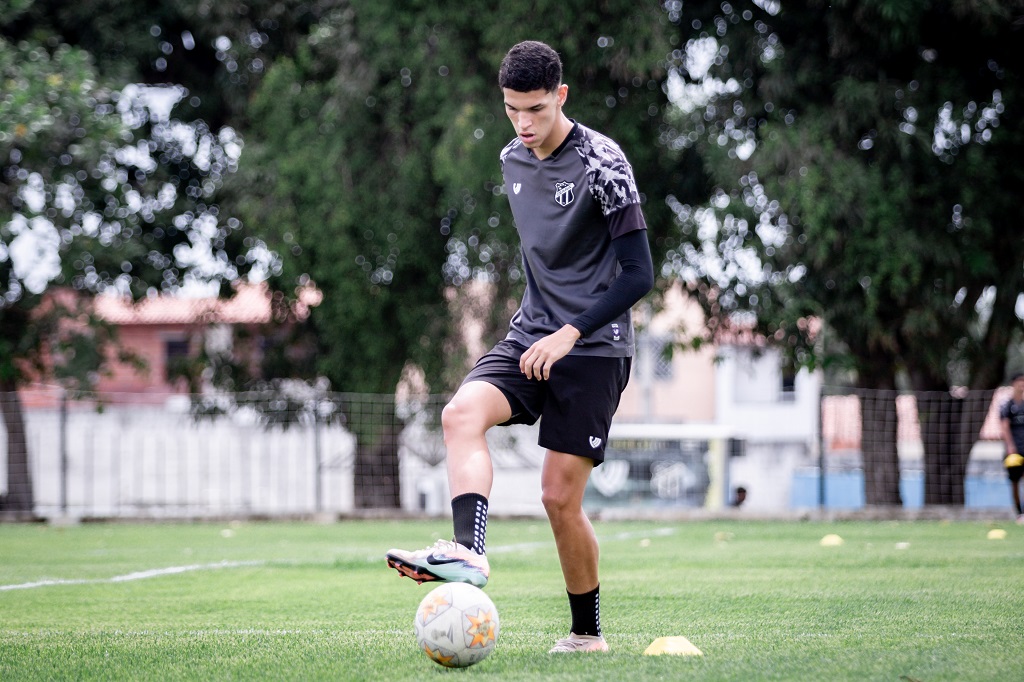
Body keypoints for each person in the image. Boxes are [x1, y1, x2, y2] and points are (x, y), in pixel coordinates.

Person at [386, 40, 654, 654]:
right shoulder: (511, 158)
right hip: (533, 333)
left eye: (535, 109)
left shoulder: (602, 162)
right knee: (460, 413)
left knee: (559, 499)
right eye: (512, 110)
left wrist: (572, 331)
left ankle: (587, 635)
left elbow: (639, 275)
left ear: (561, 95)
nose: (524, 124)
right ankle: (469, 553)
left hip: (593, 347)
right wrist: (544, 327)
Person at [1000, 372, 1024, 523]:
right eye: (1019, 382)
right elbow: (1004, 427)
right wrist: (1010, 446)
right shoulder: (1007, 405)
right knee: (1015, 482)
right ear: (1013, 384)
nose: (1022, 385)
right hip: (1014, 451)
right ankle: (1019, 513)